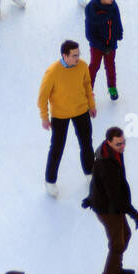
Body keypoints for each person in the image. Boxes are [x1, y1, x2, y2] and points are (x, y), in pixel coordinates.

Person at [83, 124, 138, 274]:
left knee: (126, 235)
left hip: (110, 205)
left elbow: (96, 181)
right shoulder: (105, 163)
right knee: (117, 246)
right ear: (109, 142)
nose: (122, 147)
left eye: (124, 142)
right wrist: (134, 213)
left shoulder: (108, 152)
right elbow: (114, 195)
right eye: (118, 144)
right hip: (108, 210)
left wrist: (90, 197)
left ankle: (116, 269)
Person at [38, 39, 96, 197]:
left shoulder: (83, 66)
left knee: (86, 143)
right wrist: (45, 117)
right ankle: (50, 181)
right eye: (74, 55)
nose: (78, 58)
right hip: (60, 115)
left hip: (81, 111)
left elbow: (87, 85)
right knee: (57, 147)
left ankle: (90, 173)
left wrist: (91, 105)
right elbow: (42, 97)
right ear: (65, 55)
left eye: (79, 54)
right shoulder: (52, 72)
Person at [83, 0, 123, 100]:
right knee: (94, 66)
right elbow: (89, 34)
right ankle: (88, 91)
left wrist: (119, 33)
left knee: (110, 66)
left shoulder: (113, 6)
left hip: (111, 44)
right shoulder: (92, 11)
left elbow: (117, 20)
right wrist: (101, 45)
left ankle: (112, 87)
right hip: (97, 46)